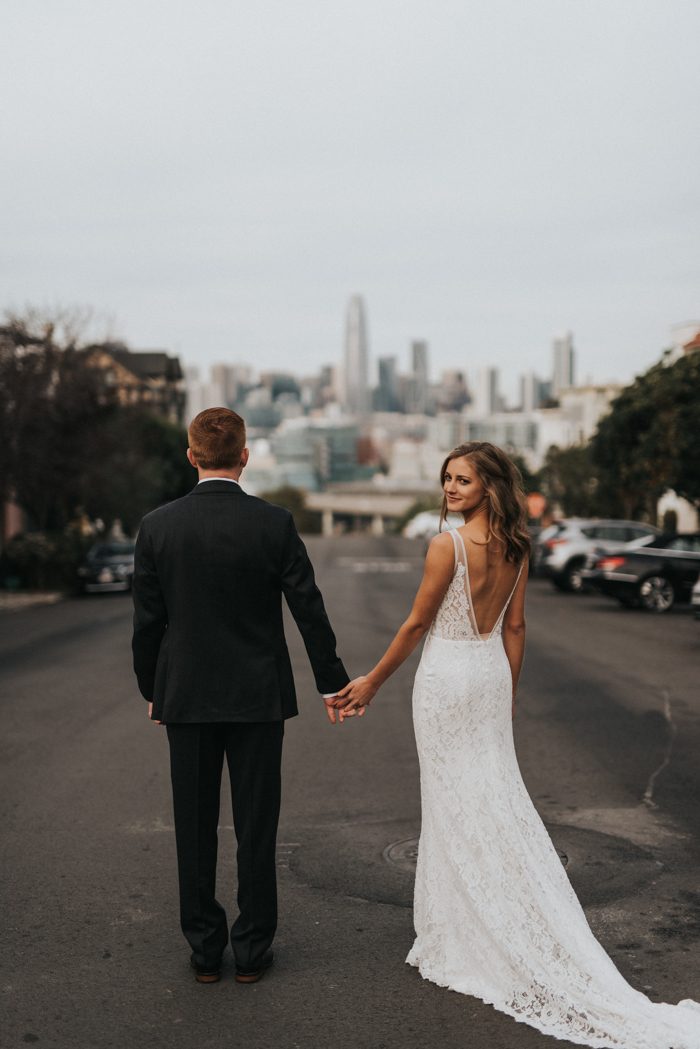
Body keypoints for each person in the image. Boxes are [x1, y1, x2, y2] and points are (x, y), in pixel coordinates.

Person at [335, 442, 700, 1048]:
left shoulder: (445, 545)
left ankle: (465, 929)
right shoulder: (517, 545)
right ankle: (479, 915)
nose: (451, 489)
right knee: (491, 795)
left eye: (464, 480)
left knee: (454, 802)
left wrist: (371, 681)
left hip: (448, 678)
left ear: (489, 487)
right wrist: (506, 693)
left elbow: (418, 624)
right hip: (487, 675)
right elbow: (515, 626)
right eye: (447, 478)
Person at [132, 407, 349, 984]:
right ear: (246, 455)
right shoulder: (273, 524)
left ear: (191, 455)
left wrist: (154, 689)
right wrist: (332, 681)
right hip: (258, 698)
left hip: (187, 697)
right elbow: (310, 609)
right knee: (257, 825)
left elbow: (147, 623)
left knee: (194, 825)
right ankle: (252, 951)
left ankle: (206, 951)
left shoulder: (157, 526)